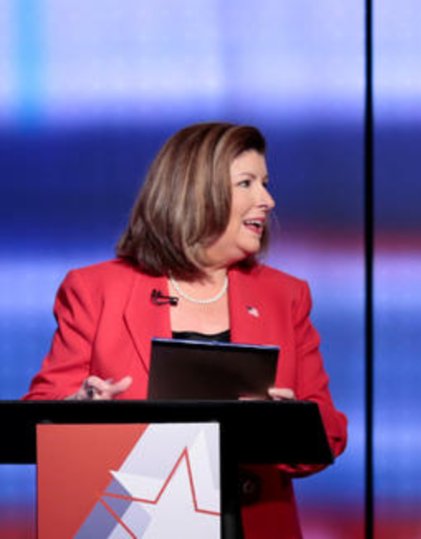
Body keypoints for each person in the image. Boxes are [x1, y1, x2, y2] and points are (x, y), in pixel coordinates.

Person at [24, 122, 347, 538]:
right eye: (246, 183)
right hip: (129, 525)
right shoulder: (95, 290)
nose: (267, 201)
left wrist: (288, 423)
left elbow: (331, 433)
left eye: (265, 184)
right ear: (195, 192)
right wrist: (79, 410)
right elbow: (39, 418)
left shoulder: (286, 296)